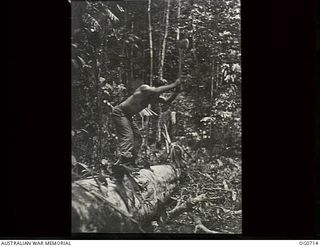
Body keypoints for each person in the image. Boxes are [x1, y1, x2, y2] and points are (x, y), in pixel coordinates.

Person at [111, 77, 184, 171]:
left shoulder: (154, 97)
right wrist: (174, 84)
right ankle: (122, 162)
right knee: (128, 136)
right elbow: (156, 90)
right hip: (120, 113)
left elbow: (167, 101)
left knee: (137, 137)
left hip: (128, 116)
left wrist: (176, 92)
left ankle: (130, 161)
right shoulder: (144, 88)